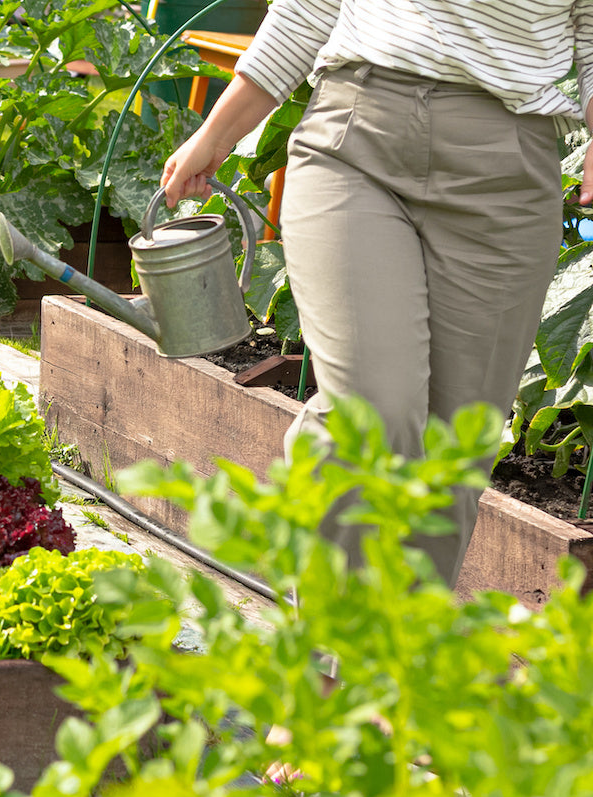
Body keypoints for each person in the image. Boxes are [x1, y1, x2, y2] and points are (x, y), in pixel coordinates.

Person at [162, 0, 593, 590]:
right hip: (356, 140)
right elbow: (309, 9)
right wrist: (215, 134)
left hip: (507, 174)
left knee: (452, 450)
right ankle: (326, 658)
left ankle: (393, 667)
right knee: (367, 414)